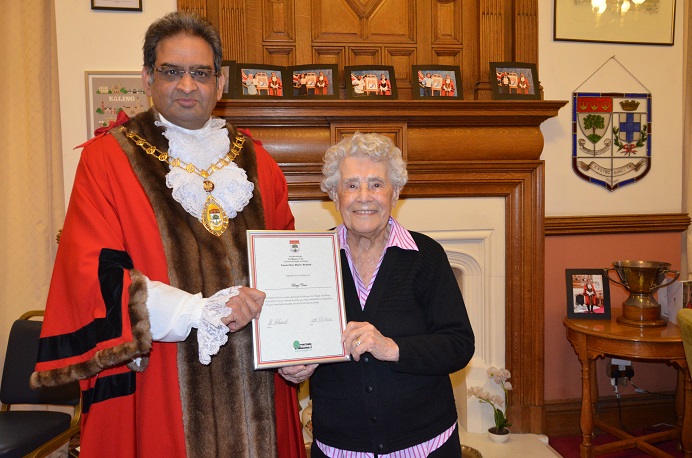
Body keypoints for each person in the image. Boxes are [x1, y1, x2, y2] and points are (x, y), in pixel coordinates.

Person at [30, 11, 305, 458]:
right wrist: (197, 312)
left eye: (201, 72)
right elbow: (91, 271)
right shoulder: (108, 160)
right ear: (147, 77)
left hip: (257, 386)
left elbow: (289, 268)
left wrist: (299, 345)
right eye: (171, 71)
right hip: (156, 380)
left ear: (221, 82)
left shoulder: (260, 165)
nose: (187, 85)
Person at [279, 132, 475, 457]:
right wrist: (292, 365)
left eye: (376, 184)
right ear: (333, 193)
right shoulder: (308, 258)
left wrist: (391, 347)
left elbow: (458, 345)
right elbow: (292, 341)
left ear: (395, 192)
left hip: (425, 446)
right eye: (351, 185)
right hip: (340, 447)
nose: (364, 197)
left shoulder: (426, 256)